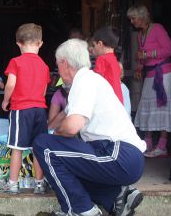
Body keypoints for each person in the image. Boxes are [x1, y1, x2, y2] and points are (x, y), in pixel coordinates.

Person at [33, 39, 146, 216]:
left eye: (57, 66)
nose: (58, 72)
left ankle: (81, 210)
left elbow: (71, 126)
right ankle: (116, 196)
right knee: (65, 166)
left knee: (43, 145)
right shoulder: (90, 81)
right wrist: (53, 131)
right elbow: (64, 117)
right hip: (123, 156)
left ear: (64, 63)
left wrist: (52, 135)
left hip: (118, 153)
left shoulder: (84, 80)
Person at [0, 23, 50, 195]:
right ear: (40, 43)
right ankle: (39, 184)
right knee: (38, 148)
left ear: (18, 43)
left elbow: (10, 83)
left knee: (17, 148)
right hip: (40, 109)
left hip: (21, 109)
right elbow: (43, 90)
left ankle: (12, 184)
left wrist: (5, 100)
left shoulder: (16, 62)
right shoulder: (44, 65)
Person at [127, 5, 171, 158]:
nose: (131, 21)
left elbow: (169, 49)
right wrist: (139, 67)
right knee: (146, 105)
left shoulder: (157, 29)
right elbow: (142, 57)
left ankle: (162, 146)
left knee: (162, 105)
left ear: (142, 17)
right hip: (151, 73)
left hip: (164, 72)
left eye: (134, 18)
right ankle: (148, 144)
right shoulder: (140, 35)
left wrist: (148, 53)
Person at [91, 26, 123, 104]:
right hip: (118, 100)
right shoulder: (114, 60)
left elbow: (96, 79)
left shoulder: (102, 59)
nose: (93, 49)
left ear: (100, 44)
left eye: (94, 45)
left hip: (108, 100)